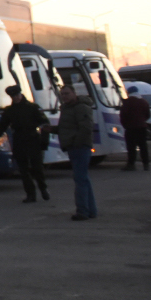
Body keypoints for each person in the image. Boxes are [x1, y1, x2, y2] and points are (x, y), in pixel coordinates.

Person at [0, 84, 51, 202]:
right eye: (13, 96)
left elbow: (45, 124)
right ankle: (30, 194)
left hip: (33, 139)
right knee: (23, 169)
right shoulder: (9, 111)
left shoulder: (33, 107)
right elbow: (2, 126)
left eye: (17, 95)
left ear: (21, 94)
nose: (16, 98)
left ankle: (43, 188)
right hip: (19, 139)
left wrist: (44, 141)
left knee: (37, 168)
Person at [57, 83, 97, 221]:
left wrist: (76, 143)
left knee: (80, 180)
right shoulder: (68, 108)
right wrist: (52, 129)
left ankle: (83, 211)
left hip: (79, 148)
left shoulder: (81, 107)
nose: (64, 97)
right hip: (74, 147)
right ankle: (91, 211)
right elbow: (68, 127)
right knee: (84, 179)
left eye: (67, 93)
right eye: (62, 94)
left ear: (74, 93)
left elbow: (85, 128)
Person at [120, 86, 151, 171]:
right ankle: (146, 164)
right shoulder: (144, 102)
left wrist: (125, 125)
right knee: (143, 146)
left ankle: (131, 164)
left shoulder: (127, 102)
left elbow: (123, 116)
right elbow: (148, 115)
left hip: (131, 128)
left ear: (129, 93)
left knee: (131, 147)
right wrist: (143, 121)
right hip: (142, 127)